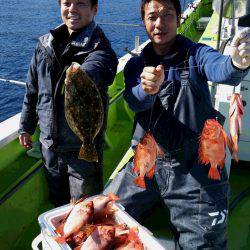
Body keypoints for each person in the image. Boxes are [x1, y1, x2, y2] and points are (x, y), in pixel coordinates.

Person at [103, 0, 250, 249]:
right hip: (146, 163)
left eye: (167, 15)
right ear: (144, 21)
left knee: (205, 243)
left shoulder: (197, 53)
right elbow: (134, 100)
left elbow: (221, 69)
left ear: (179, 18)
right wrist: (147, 90)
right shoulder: (135, 66)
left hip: (196, 169)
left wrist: (237, 62)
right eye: (152, 17)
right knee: (102, 214)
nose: (159, 23)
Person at [19, 0, 118, 207]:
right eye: (67, 3)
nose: (72, 9)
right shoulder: (44, 44)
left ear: (94, 9)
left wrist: (84, 74)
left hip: (81, 150)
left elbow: (103, 65)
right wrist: (26, 127)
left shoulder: (100, 46)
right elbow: (33, 91)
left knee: (84, 210)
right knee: (59, 205)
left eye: (80, 3)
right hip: (49, 147)